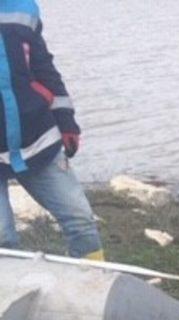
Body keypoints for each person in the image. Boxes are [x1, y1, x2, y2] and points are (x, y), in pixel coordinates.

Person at [0, 1, 104, 260]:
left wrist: (66, 120)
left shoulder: (23, 7)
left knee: (82, 224)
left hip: (38, 138)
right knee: (3, 240)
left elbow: (43, 66)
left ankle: (88, 291)